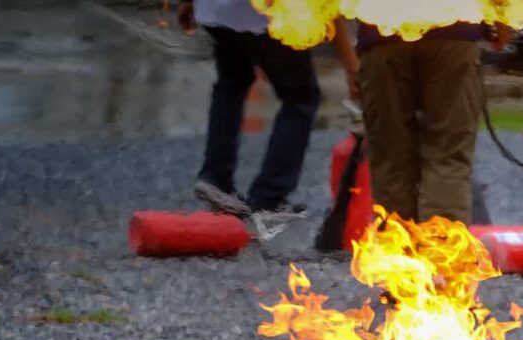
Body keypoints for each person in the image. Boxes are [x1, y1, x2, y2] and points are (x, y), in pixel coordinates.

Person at [177, 1, 358, 217]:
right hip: (270, 15)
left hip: (216, 11)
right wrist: (351, 66)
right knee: (300, 98)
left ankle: (216, 179)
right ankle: (269, 196)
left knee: (231, 83)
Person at [357, 22, 504, 225]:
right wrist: (503, 27)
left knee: (390, 158)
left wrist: (349, 62)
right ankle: (442, 249)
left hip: (383, 34)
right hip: (454, 32)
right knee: (448, 156)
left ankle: (395, 249)